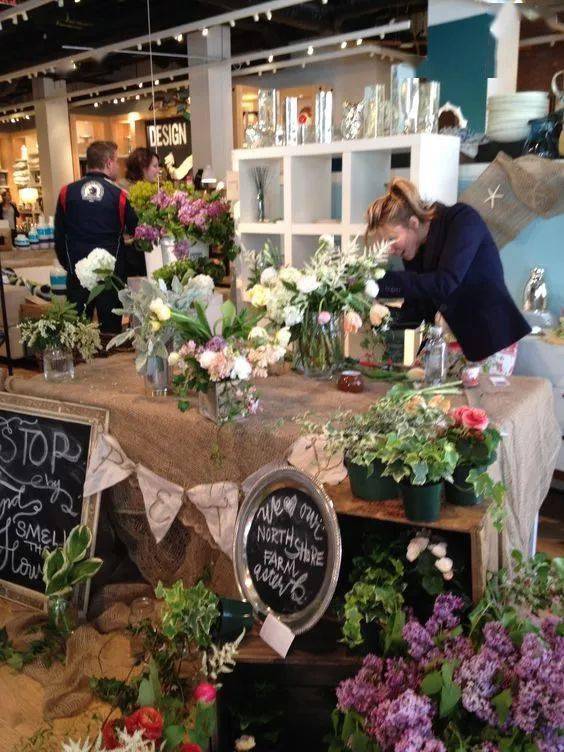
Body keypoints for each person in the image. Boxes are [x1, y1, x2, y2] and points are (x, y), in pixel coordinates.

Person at [365, 178, 531, 362]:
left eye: (391, 238)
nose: (389, 249)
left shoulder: (462, 219)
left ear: (413, 223)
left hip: (489, 340)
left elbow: (445, 282)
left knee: (476, 392)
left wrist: (377, 281)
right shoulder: (415, 251)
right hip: (445, 342)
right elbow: (418, 311)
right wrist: (377, 315)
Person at [54, 140, 138, 334]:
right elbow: (136, 231)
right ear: (108, 163)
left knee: (75, 336)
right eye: (117, 161)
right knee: (110, 337)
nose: (118, 166)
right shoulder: (120, 196)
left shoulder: (66, 193)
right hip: (110, 278)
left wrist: (70, 267)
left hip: (77, 274)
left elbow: (59, 236)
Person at [119, 147, 160, 277]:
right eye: (155, 166)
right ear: (143, 167)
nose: (158, 170)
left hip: (146, 251)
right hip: (131, 254)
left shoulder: (153, 190)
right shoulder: (122, 190)